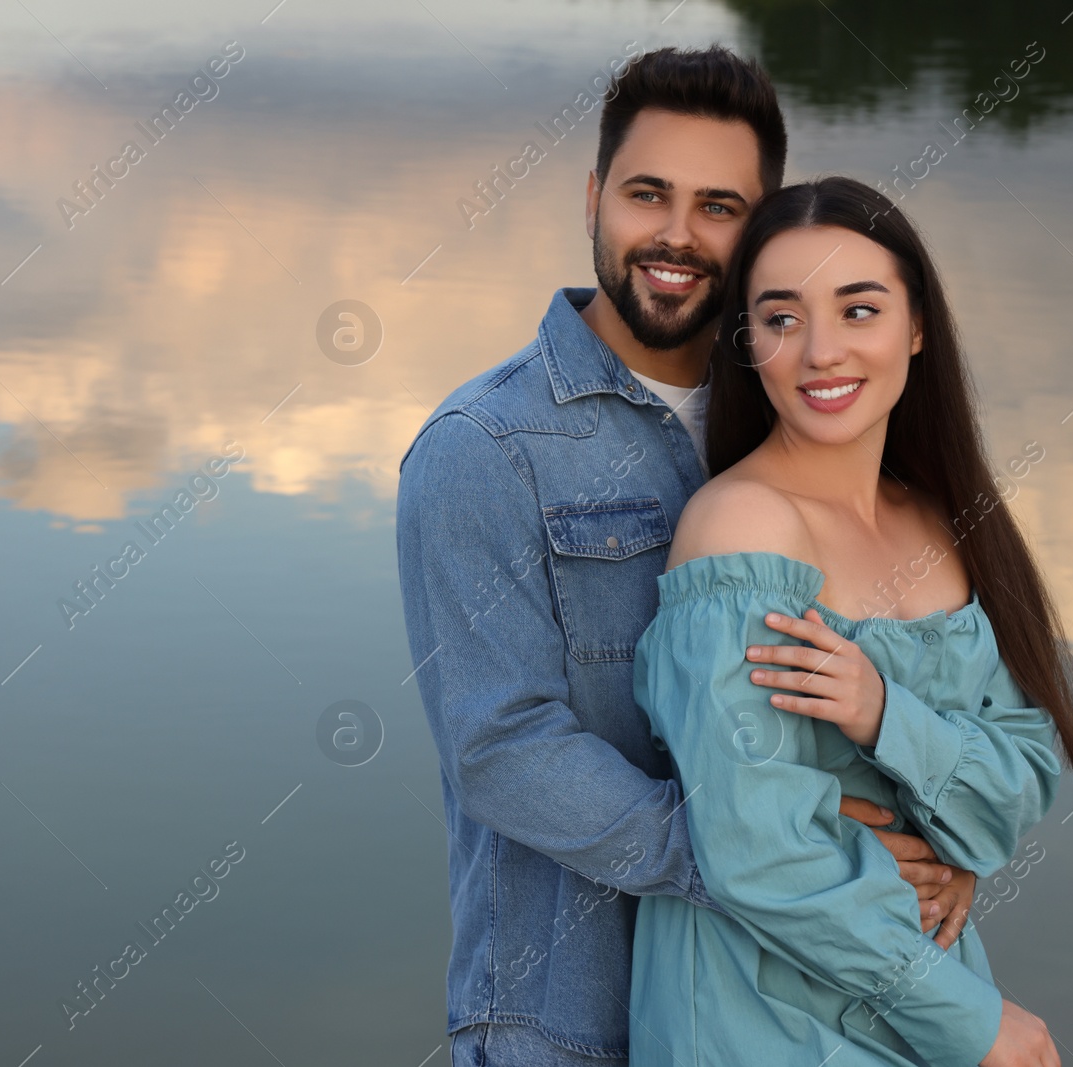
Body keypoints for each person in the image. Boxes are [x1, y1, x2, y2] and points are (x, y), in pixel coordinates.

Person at [398, 49, 991, 1067]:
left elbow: (892, 673)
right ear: (594, 198)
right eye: (646, 194)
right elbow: (502, 749)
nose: (675, 234)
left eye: (718, 205)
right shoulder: (482, 449)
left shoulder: (806, 411)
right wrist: (767, 854)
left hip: (789, 1008)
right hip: (571, 1024)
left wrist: (943, 843)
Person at [627, 176, 1073, 1067]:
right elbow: (756, 851)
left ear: (916, 326)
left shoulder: (942, 521)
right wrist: (973, 1019)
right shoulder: (742, 530)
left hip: (918, 983)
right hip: (762, 1015)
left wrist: (887, 715)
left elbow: (1020, 782)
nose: (820, 354)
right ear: (749, 342)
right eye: (782, 318)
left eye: (859, 310)